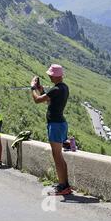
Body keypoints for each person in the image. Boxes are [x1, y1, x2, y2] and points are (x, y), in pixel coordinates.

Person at [31, 64, 71, 195]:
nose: (49, 76)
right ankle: (65, 184)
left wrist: (33, 88)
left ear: (55, 76)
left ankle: (62, 186)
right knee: (59, 156)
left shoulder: (56, 89)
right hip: (60, 124)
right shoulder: (63, 88)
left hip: (55, 125)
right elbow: (49, 101)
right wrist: (42, 91)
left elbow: (37, 100)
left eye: (50, 75)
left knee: (57, 156)